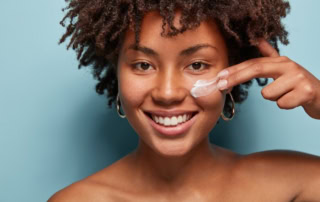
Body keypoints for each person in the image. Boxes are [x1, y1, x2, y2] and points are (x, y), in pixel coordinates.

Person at [49, 0, 320, 201]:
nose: (167, 93)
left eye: (198, 64)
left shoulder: (292, 185)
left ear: (235, 67)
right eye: (143, 65)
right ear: (116, 69)